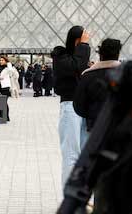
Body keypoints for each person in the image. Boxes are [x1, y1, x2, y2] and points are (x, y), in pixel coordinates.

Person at [52, 26, 90, 187]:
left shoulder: (78, 58)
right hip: (70, 107)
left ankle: (80, 199)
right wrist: (84, 45)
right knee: (71, 154)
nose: (88, 40)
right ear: (77, 40)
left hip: (83, 109)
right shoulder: (61, 56)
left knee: (83, 155)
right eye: (85, 38)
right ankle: (70, 201)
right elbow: (75, 66)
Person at [73, 38, 121, 132]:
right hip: (120, 128)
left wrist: (91, 115)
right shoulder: (128, 75)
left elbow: (78, 106)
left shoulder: (87, 76)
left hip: (95, 127)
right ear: (118, 54)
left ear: (100, 54)